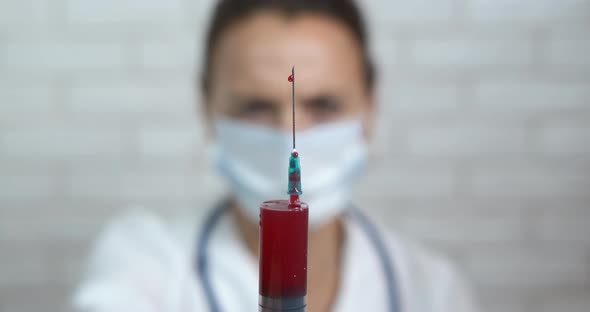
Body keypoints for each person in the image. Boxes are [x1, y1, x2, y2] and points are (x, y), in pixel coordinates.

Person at [74, 1, 478, 311]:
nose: (291, 138)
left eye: (324, 105)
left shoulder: (433, 289)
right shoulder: (145, 263)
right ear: (206, 105)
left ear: (369, 106)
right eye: (255, 107)